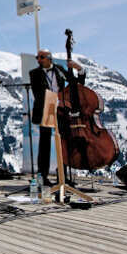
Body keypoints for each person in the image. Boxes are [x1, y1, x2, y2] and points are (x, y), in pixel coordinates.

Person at [30, 48, 85, 186]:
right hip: (46, 109)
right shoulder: (35, 73)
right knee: (45, 144)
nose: (38, 60)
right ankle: (42, 176)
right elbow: (38, 94)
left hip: (61, 110)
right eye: (37, 57)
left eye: (41, 57)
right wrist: (54, 99)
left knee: (64, 142)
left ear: (49, 58)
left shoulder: (59, 69)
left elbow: (75, 83)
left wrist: (79, 69)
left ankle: (63, 175)